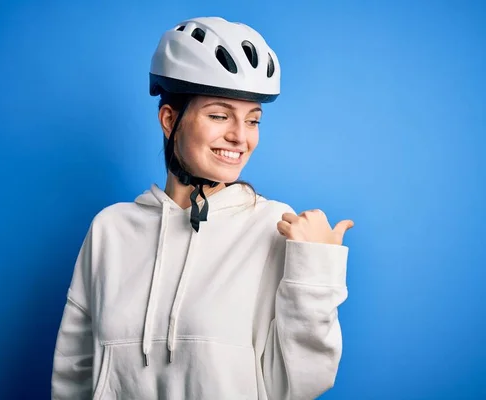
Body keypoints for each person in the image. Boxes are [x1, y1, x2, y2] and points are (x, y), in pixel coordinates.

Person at [51, 16, 353, 400]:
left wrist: (314, 272)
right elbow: (73, 375)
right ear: (169, 119)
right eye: (219, 115)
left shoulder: (273, 226)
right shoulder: (110, 230)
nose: (240, 137)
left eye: (253, 120)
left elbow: (301, 384)